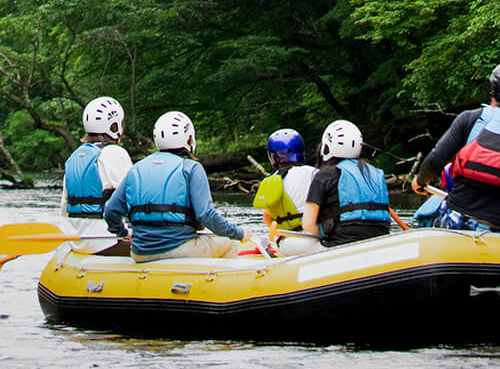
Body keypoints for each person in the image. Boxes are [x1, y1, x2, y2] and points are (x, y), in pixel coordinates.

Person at [411, 61, 500, 233]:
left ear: (493, 89)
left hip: (456, 219)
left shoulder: (471, 119)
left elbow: (436, 159)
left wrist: (421, 181)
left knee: (427, 217)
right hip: (498, 226)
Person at [104, 111, 249, 262]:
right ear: (189, 138)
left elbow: (110, 211)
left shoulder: (136, 168)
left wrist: (121, 232)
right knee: (230, 242)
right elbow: (206, 215)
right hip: (181, 250)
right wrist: (238, 233)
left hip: (140, 252)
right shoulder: (191, 168)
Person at [301, 119, 393, 245]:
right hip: (379, 241)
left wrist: (322, 236)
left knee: (290, 244)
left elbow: (308, 224)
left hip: (341, 244)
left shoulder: (324, 176)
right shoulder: (376, 173)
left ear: (326, 148)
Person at [60, 97, 134, 238]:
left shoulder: (75, 157)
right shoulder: (115, 152)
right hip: (105, 238)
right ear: (114, 126)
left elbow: (64, 209)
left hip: (74, 238)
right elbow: (132, 199)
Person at [252, 128, 314, 233]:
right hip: (310, 236)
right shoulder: (311, 172)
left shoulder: (269, 181)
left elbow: (267, 218)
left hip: (284, 241)